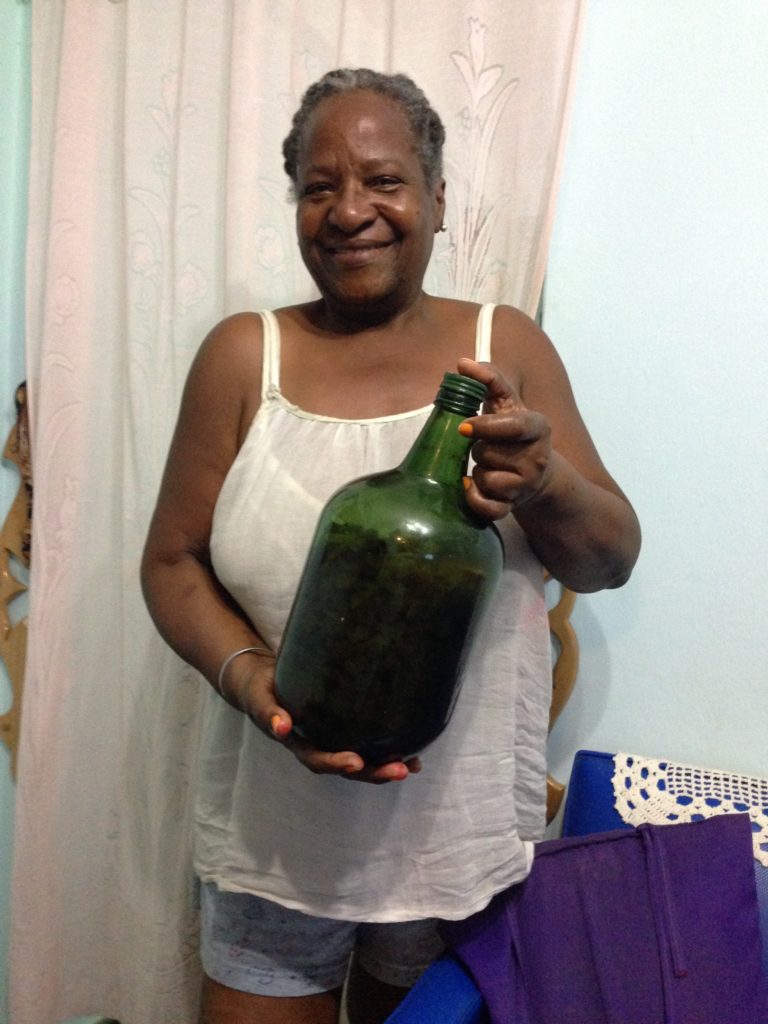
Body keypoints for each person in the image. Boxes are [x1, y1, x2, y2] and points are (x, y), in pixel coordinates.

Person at [141, 67, 641, 1024]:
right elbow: (171, 563)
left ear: (438, 198)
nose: (350, 210)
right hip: (277, 836)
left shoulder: (505, 351)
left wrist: (545, 484)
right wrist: (253, 683)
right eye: (319, 187)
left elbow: (609, 561)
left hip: (449, 843)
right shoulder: (247, 356)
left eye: (383, 179)